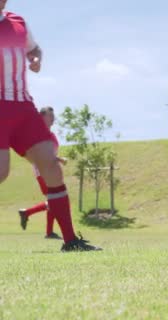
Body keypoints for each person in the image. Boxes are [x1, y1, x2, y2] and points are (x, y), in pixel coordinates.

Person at [0, 1, 101, 251]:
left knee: (52, 168)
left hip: (23, 107)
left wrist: (35, 58)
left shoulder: (18, 22)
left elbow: (34, 49)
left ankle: (70, 241)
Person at [18, 107, 65, 239]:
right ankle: (27, 213)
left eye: (53, 115)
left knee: (53, 200)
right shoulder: (37, 135)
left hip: (51, 171)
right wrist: (58, 159)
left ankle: (48, 231)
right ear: (41, 118)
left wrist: (57, 159)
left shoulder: (52, 135)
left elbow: (51, 153)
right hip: (42, 172)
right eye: (49, 115)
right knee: (54, 200)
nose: (53, 118)